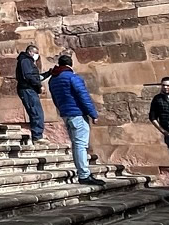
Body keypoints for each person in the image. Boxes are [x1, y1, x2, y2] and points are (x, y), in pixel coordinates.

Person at [47, 54, 105, 185]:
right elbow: (83, 96)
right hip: (77, 113)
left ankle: (83, 172)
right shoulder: (72, 78)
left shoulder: (53, 80)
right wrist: (93, 114)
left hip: (66, 114)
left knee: (76, 144)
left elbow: (56, 99)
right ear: (70, 65)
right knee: (80, 145)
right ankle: (84, 174)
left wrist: (62, 110)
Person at [15, 44, 47, 143]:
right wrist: (39, 85)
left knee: (37, 112)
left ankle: (38, 134)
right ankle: (37, 136)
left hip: (30, 89)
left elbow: (35, 76)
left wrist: (48, 73)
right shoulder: (25, 61)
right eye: (36, 53)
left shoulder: (29, 61)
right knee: (36, 112)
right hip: (27, 89)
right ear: (30, 52)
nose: (37, 56)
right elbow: (28, 76)